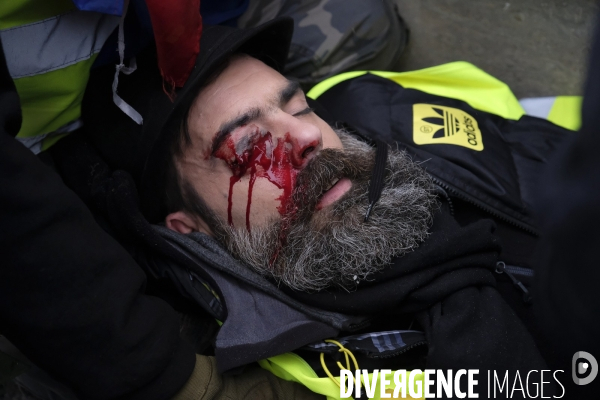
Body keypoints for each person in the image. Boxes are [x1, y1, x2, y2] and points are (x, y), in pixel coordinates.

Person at [73, 16, 582, 397]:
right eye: (250, 147)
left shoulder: (366, 99)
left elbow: (537, 128)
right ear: (193, 229)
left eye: (297, 106)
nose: (308, 134)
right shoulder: (313, 375)